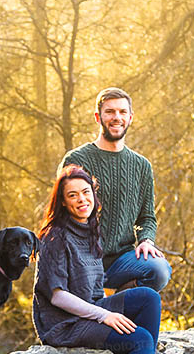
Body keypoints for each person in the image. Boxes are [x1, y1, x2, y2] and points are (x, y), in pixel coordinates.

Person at [33, 164, 178, 354]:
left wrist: (105, 309)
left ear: (94, 196)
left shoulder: (90, 230)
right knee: (139, 340)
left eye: (85, 192)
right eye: (72, 195)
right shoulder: (54, 238)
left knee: (148, 297)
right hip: (66, 324)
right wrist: (103, 316)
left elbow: (96, 289)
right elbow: (58, 296)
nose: (81, 199)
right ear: (62, 201)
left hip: (93, 307)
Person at [60, 87, 171, 292]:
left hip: (122, 260)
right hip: (82, 257)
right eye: (109, 112)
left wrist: (146, 240)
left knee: (159, 269)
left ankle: (119, 300)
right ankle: (99, 306)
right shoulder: (76, 160)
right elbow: (61, 213)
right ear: (98, 117)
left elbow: (146, 217)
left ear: (130, 118)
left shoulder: (141, 166)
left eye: (122, 112)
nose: (116, 117)